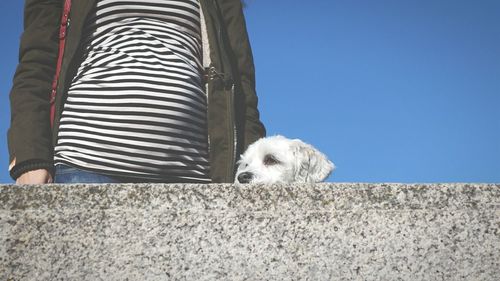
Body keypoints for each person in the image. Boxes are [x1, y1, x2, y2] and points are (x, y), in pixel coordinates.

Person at [8, 0, 265, 184]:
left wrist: (252, 169)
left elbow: (241, 86)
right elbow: (37, 64)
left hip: (192, 175)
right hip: (84, 166)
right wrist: (30, 156)